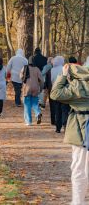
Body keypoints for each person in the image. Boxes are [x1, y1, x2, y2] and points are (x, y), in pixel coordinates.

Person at [50, 64, 89, 205]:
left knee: (79, 167)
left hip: (80, 129)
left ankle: (78, 202)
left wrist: (63, 75)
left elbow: (55, 94)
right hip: (82, 129)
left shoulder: (77, 85)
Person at [20, 56, 44, 126]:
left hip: (27, 88)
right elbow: (42, 80)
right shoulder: (37, 69)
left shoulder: (25, 68)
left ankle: (28, 121)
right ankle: (38, 113)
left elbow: (20, 77)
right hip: (35, 88)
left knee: (27, 104)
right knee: (35, 103)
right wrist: (41, 88)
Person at [50, 56, 70, 133]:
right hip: (64, 92)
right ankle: (65, 126)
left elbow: (50, 80)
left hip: (55, 92)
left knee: (57, 110)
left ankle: (58, 128)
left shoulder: (51, 70)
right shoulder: (64, 69)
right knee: (65, 110)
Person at [43, 57, 54, 124]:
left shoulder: (46, 66)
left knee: (45, 93)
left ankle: (43, 104)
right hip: (50, 83)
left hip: (45, 81)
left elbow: (42, 73)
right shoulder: (52, 66)